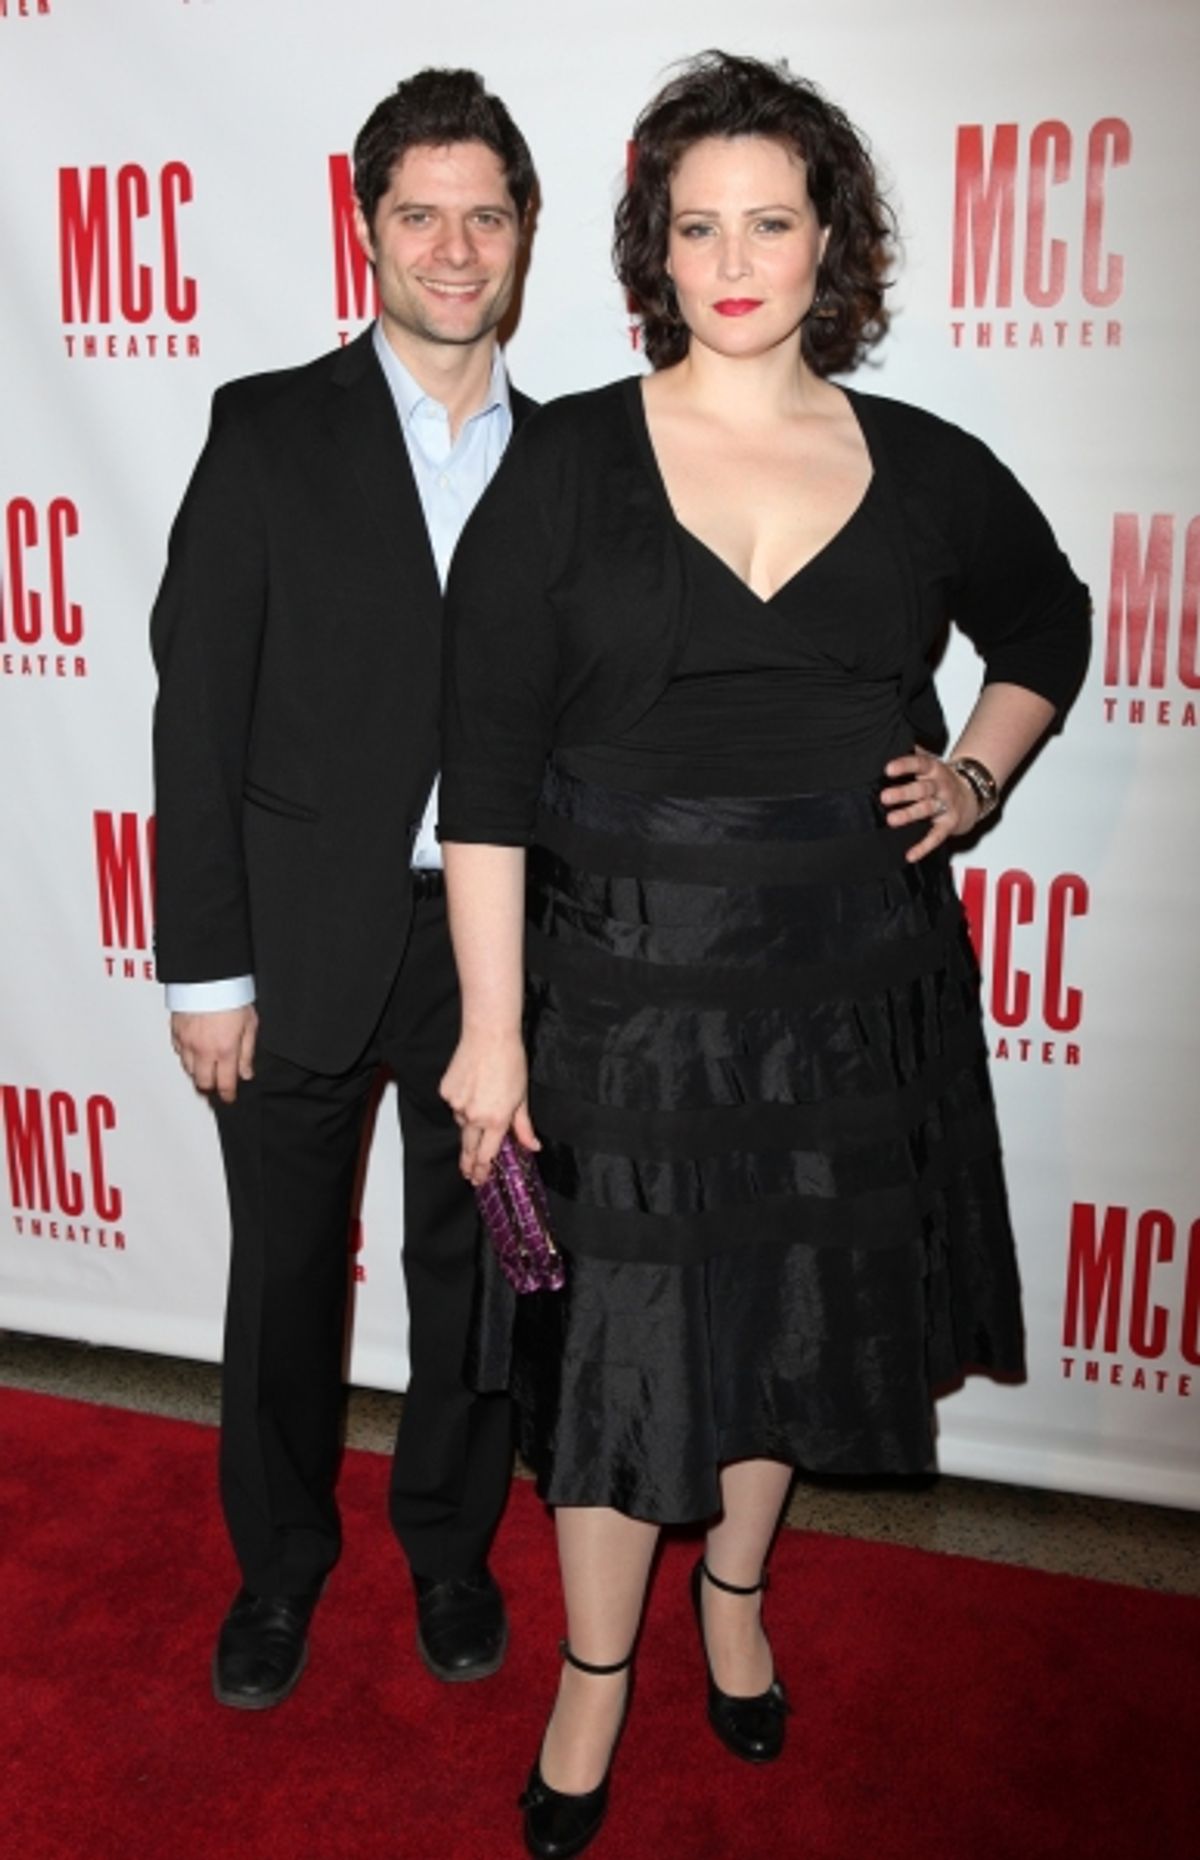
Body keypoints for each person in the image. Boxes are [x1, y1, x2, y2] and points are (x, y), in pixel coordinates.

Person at [437, 50, 1090, 1858]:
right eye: (698, 224)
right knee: (614, 1352)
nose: (737, 260)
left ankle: (733, 1592)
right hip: (617, 999)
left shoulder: (928, 465)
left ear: (830, 243)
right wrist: (493, 1029)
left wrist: (977, 768)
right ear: (657, 244)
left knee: (786, 1324)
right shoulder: (562, 460)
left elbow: (1048, 620)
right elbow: (483, 765)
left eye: (773, 222)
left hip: (841, 989)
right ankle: (594, 1672)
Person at [150, 68, 540, 1710]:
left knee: (474, 1273)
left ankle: (450, 1550)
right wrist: (204, 969)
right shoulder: (266, 427)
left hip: (491, 946)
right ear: (367, 227)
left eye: (486, 214)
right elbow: (197, 709)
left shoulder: (579, 459)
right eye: (419, 214)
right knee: (285, 1278)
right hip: (301, 932)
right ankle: (278, 1572)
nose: (454, 248)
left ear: (522, 238)